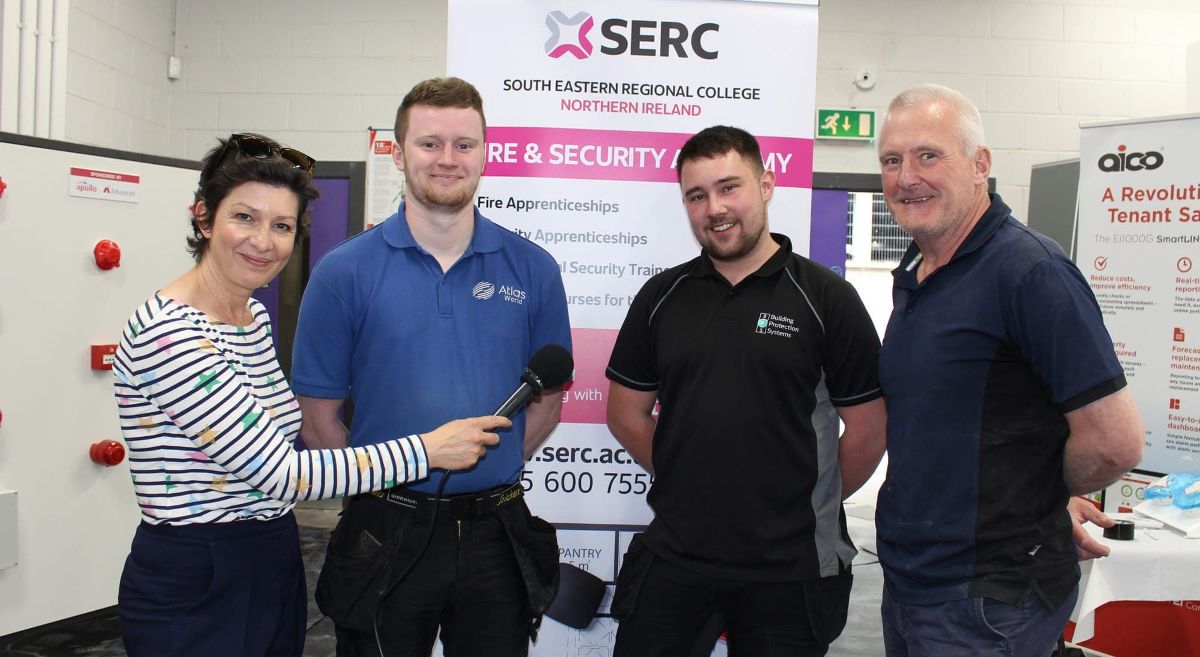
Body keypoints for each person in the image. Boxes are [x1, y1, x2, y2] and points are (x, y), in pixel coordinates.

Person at [112, 133, 509, 657]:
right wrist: (428, 451)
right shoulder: (171, 334)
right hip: (198, 569)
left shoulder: (250, 316)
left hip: (270, 549)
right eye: (244, 218)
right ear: (203, 218)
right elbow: (281, 473)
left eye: (282, 226)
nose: (263, 242)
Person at [289, 77, 571, 657]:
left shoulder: (534, 269)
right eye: (429, 143)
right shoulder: (343, 273)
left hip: (497, 533)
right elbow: (317, 420)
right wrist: (382, 481)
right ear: (398, 154)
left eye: (464, 144)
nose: (447, 159)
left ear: (485, 155)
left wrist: (482, 468)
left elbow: (545, 402)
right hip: (383, 529)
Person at [873, 84, 1146, 657]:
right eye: (892, 160)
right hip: (912, 585)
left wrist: (1042, 496)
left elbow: (1115, 442)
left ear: (980, 165)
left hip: (989, 602)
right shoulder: (917, 270)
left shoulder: (1030, 272)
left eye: (927, 155)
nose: (906, 177)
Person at [605, 125, 888, 657]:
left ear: (766, 185)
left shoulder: (827, 298)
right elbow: (625, 414)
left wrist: (804, 498)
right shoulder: (662, 296)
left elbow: (870, 430)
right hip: (677, 556)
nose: (714, 208)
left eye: (729, 187)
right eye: (697, 195)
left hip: (790, 569)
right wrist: (687, 478)